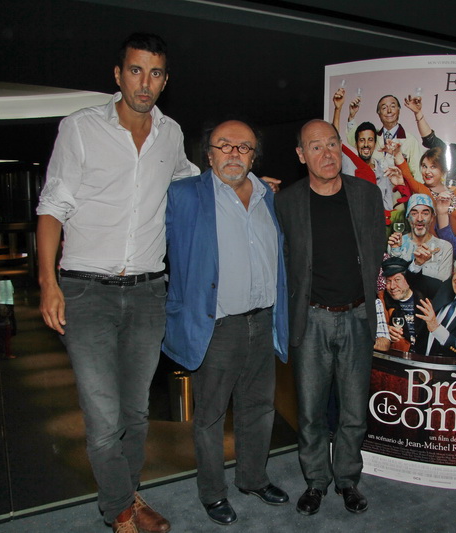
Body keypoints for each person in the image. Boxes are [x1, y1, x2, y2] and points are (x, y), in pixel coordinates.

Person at [36, 33, 195, 533]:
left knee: (137, 411)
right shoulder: (80, 129)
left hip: (149, 292)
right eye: (135, 70)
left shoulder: (171, 135)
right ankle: (119, 510)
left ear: (165, 80)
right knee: (104, 416)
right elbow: (51, 207)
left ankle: (129, 496)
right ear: (117, 74)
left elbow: (192, 181)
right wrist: (47, 283)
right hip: (86, 291)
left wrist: (248, 180)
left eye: (155, 73)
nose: (144, 82)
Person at [162, 120, 289, 526]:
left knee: (259, 409)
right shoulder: (182, 195)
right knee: (211, 415)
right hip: (216, 326)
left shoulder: (271, 196)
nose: (235, 154)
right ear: (209, 153)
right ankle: (213, 493)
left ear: (254, 155)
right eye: (225, 145)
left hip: (263, 320)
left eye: (244, 148)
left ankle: (253, 478)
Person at [275, 119, 386, 516]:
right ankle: (316, 482)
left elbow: (376, 248)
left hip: (357, 315)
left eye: (333, 144)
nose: (327, 153)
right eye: (315, 147)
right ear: (301, 155)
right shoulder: (286, 202)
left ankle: (347, 480)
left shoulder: (367, 195)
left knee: (355, 410)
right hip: (312, 319)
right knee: (310, 412)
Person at [332, 88, 408, 222]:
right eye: (362, 140)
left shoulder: (384, 169)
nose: (366, 144)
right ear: (356, 143)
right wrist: (338, 109)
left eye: (370, 140)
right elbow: (334, 140)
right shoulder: (349, 164)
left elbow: (389, 206)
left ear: (375, 143)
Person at [386, 146, 456, 238]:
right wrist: (397, 154)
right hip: (426, 247)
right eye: (424, 166)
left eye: (433, 167)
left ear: (443, 170)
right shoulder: (422, 191)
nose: (427, 171)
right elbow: (408, 177)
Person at [346, 94, 423, 181]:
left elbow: (418, 175)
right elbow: (353, 139)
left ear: (399, 110)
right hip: (374, 190)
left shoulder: (410, 141)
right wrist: (352, 117)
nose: (389, 111)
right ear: (378, 113)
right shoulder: (373, 136)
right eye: (384, 108)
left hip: (399, 193)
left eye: (393, 106)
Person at [387, 194, 453, 283]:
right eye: (414, 213)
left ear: (432, 218)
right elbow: (393, 281)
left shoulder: (444, 247)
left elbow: (442, 284)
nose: (419, 218)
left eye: (425, 213)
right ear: (408, 218)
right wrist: (395, 251)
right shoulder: (396, 243)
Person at [381, 256, 426, 352]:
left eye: (397, 280)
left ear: (408, 280)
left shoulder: (425, 299)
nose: (392, 286)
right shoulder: (380, 301)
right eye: (388, 281)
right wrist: (383, 331)